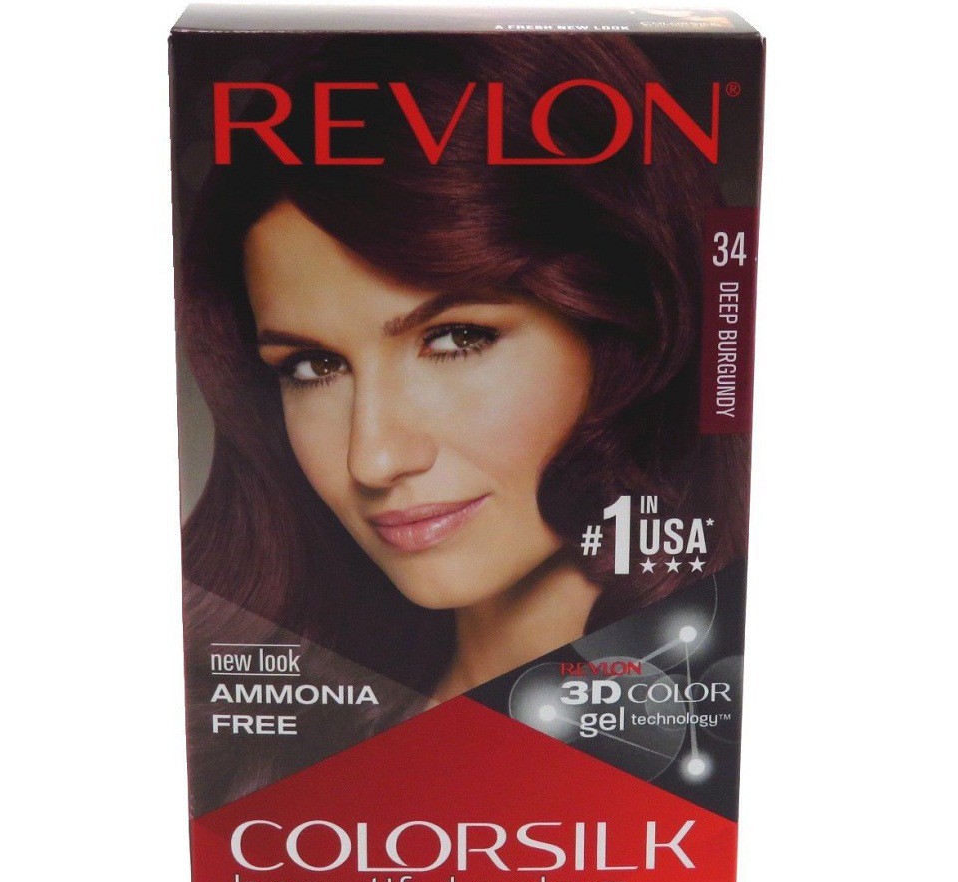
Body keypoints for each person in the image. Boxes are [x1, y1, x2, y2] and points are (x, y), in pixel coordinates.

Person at [179, 32, 749, 707]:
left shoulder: (708, 722)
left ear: (628, 325)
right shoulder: (271, 737)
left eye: (456, 338)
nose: (374, 459)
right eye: (314, 365)